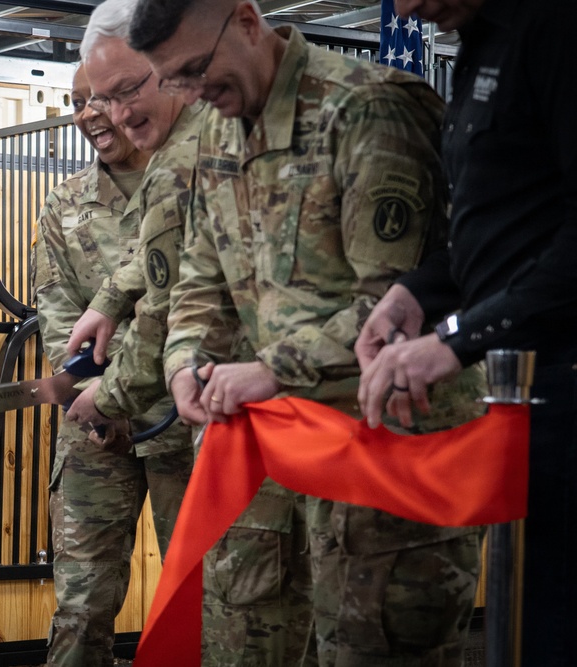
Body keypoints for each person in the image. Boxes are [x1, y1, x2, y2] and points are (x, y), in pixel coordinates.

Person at [129, 0, 486, 665]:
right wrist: (185, 363)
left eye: (195, 67)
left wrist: (270, 370)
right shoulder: (215, 130)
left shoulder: (366, 111)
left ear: (245, 19)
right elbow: (201, 278)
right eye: (171, 79)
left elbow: (396, 303)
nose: (191, 91)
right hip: (286, 456)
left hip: (389, 461)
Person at [356, 1, 577, 665]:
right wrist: (416, 294)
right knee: (524, 625)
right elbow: (499, 226)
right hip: (518, 388)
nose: (412, 8)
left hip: (566, 380)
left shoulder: (555, 29)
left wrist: (457, 337)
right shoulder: (476, 43)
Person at [32, 61, 193, 667]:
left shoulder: (189, 180)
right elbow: (56, 311)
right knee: (81, 602)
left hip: (186, 420)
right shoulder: (64, 204)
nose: (88, 113)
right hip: (93, 429)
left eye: (100, 97)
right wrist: (93, 396)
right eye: (77, 102)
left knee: (199, 590)